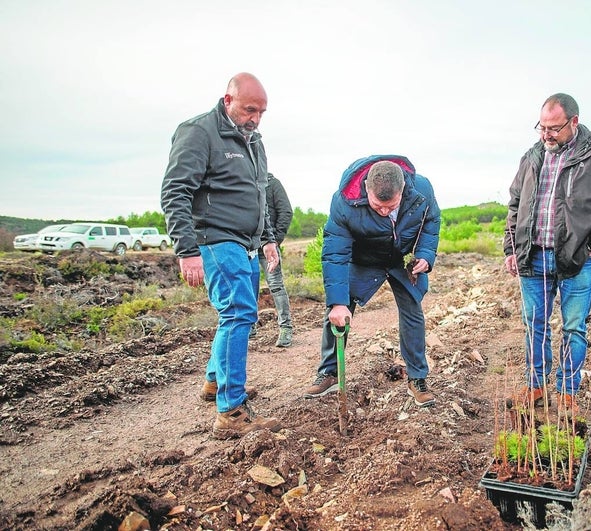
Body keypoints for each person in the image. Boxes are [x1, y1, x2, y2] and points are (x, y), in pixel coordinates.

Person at [161, 72, 282, 439]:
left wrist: (268, 238)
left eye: (262, 112)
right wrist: (187, 250)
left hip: (247, 244)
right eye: (250, 109)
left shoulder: (253, 142)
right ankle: (230, 411)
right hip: (216, 240)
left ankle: (215, 383)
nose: (256, 118)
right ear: (228, 100)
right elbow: (175, 191)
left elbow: (259, 195)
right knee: (239, 314)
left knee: (237, 315)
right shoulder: (199, 132)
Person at [504, 93, 591, 414]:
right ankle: (535, 386)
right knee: (534, 324)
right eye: (541, 127)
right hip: (532, 256)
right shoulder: (532, 156)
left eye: (553, 128)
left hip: (578, 259)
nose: (546, 135)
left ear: (573, 122)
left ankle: (567, 392)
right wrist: (511, 246)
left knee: (573, 327)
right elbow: (515, 203)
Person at [303, 156, 441, 407]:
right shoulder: (344, 201)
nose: (385, 211)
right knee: (338, 310)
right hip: (363, 259)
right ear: (367, 188)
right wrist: (337, 303)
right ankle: (329, 372)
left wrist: (425, 255)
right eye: (378, 206)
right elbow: (335, 253)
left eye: (392, 206)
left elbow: (431, 222)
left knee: (412, 310)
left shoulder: (422, 190)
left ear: (404, 189)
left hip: (401, 258)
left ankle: (417, 379)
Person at [256, 172, 294, 348]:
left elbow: (286, 211)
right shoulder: (243, 180)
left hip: (269, 246)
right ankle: (248, 327)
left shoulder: (272, 184)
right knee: (247, 286)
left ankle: (286, 328)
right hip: (245, 246)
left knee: (276, 286)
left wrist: (275, 239)